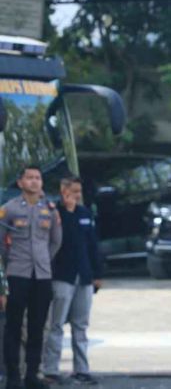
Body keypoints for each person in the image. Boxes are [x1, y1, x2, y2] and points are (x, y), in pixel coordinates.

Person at [0, 166, 62, 389]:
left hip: (42, 275)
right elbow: (1, 244)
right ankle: (14, 376)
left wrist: (44, 260)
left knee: (37, 327)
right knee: (14, 327)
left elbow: (55, 241)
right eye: (30, 178)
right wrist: (11, 263)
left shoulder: (50, 209)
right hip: (18, 273)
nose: (34, 182)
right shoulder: (9, 209)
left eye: (38, 178)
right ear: (20, 183)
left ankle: (32, 375)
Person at [43, 177, 102, 386]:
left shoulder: (85, 214)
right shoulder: (54, 214)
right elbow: (57, 241)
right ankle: (50, 369)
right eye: (73, 190)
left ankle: (81, 370)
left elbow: (93, 245)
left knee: (81, 325)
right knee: (56, 324)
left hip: (84, 276)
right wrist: (66, 212)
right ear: (63, 191)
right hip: (61, 276)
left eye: (79, 190)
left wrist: (97, 274)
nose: (77, 195)